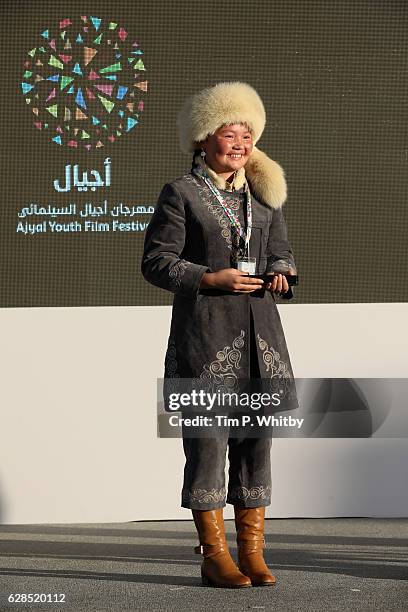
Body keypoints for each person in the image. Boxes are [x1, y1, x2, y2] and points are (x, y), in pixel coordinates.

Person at [141, 81, 298, 588]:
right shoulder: (181, 193)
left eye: (248, 135)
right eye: (230, 135)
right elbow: (157, 263)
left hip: (262, 341)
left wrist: (280, 273)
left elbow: (281, 253)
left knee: (257, 445)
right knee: (207, 446)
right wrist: (210, 278)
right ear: (203, 139)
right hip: (206, 341)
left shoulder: (264, 194)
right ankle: (214, 555)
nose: (240, 145)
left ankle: (252, 553)